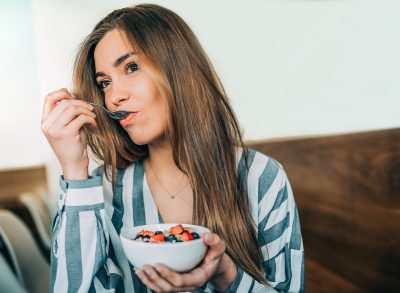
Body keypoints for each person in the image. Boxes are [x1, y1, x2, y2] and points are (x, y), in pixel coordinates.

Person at [41, 3, 304, 293]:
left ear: (179, 67)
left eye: (131, 67)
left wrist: (225, 274)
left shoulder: (261, 178)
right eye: (104, 83)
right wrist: (75, 170)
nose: (114, 96)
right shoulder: (104, 188)